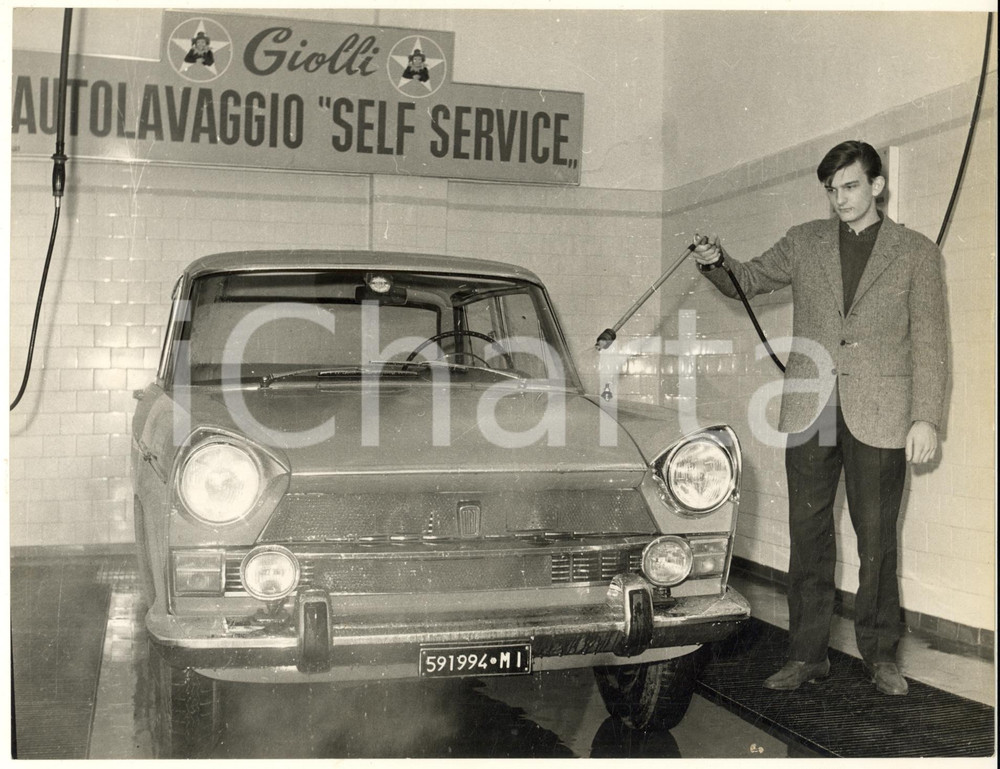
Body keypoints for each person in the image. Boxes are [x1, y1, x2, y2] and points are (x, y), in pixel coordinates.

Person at [692, 140, 948, 697]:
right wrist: (717, 262)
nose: (840, 199)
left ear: (877, 185)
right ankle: (807, 655)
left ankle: (880, 656)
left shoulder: (917, 253)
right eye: (832, 190)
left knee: (877, 538)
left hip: (881, 415)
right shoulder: (805, 242)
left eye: (851, 186)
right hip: (812, 411)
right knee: (808, 537)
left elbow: (931, 344)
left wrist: (925, 417)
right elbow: (750, 279)